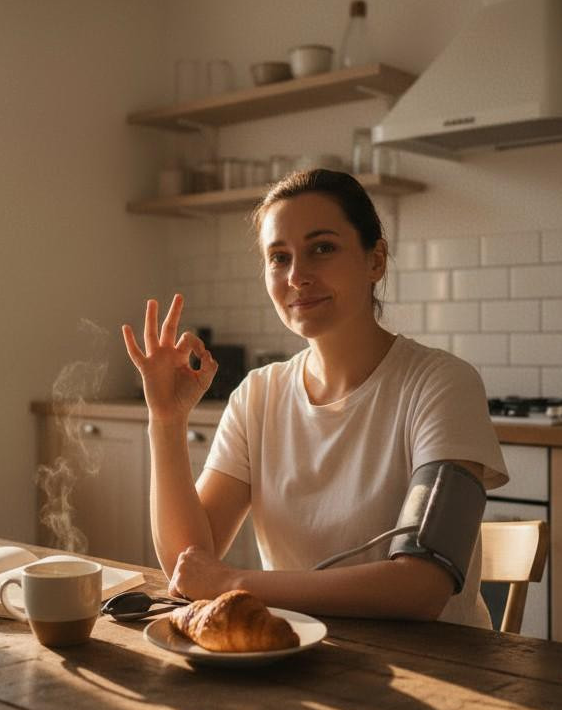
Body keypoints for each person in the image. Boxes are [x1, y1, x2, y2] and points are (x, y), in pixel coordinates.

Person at [122, 169, 508, 624]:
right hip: (296, 663)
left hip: (440, 673)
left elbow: (422, 586)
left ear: (376, 261)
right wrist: (166, 421)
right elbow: (188, 565)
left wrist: (233, 584)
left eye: (321, 248)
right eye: (278, 257)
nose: (297, 275)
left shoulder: (441, 383)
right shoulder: (257, 396)